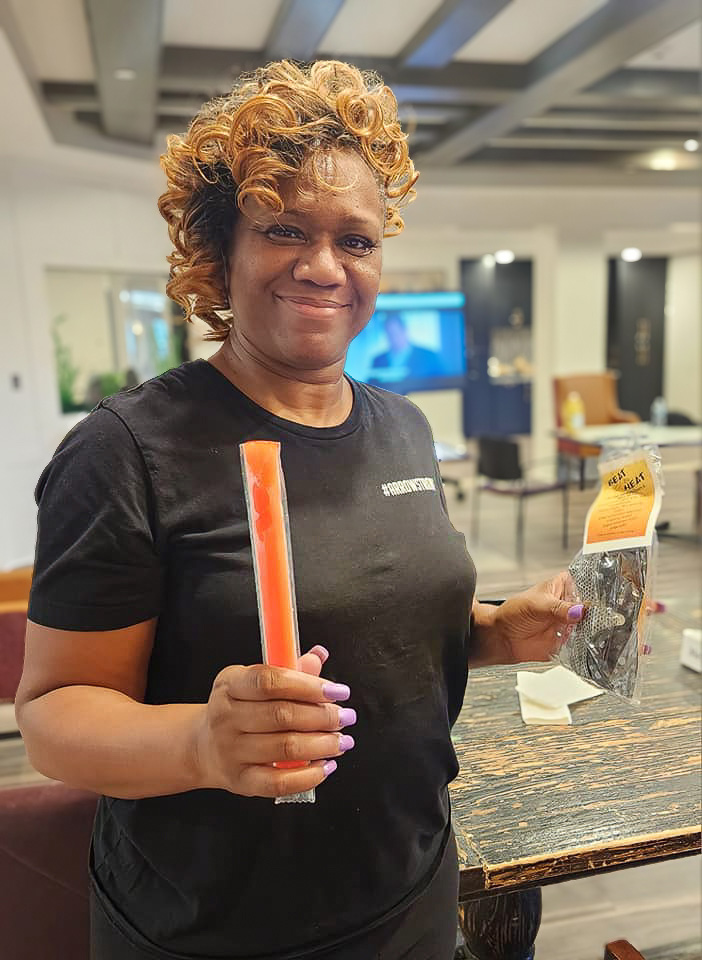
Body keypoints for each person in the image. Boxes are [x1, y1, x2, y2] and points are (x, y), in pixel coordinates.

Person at [16, 60, 583, 960]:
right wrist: (203, 741)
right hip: (214, 925)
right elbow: (54, 714)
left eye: (356, 241)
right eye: (285, 230)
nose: (324, 266)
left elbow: (382, 623)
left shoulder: (401, 427)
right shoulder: (126, 450)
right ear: (220, 253)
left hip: (412, 886)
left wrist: (495, 633)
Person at [369, 312, 443, 384]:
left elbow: (441, 383)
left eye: (395, 333)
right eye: (389, 334)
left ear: (405, 331)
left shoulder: (429, 356)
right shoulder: (378, 360)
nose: (393, 338)